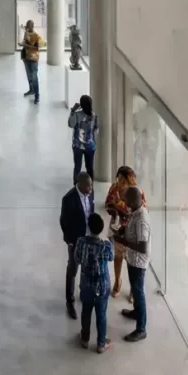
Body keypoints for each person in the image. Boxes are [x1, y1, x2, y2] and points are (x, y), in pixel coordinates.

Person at [104, 166, 147, 298]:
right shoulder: (114, 188)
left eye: (123, 180)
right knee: (117, 257)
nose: (120, 182)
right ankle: (117, 281)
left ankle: (133, 288)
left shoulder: (137, 192)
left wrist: (120, 204)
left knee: (131, 260)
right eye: (119, 179)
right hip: (117, 227)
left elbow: (140, 211)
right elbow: (107, 204)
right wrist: (113, 209)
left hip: (131, 230)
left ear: (130, 180)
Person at [75, 212, 115, 353]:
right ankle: (101, 343)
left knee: (86, 312)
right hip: (102, 286)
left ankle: (85, 339)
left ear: (88, 227)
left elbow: (78, 260)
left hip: (86, 285)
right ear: (102, 228)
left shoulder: (81, 242)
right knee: (101, 314)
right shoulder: (106, 246)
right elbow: (111, 258)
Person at [117, 185, 151, 341]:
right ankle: (136, 312)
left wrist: (124, 241)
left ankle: (141, 328)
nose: (125, 202)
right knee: (134, 288)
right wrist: (124, 230)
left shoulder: (142, 220)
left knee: (138, 291)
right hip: (132, 258)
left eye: (126, 200)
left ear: (133, 200)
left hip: (138, 261)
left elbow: (143, 247)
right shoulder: (135, 212)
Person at [59, 171, 94, 319]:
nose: (91, 189)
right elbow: (64, 221)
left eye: (91, 185)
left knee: (86, 267)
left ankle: (83, 292)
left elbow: (90, 213)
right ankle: (70, 300)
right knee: (73, 268)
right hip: (76, 240)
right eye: (88, 186)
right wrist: (70, 241)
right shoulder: (69, 198)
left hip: (88, 238)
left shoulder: (90, 194)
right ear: (79, 184)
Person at [68, 95, 98, 180]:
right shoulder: (94, 116)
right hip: (90, 146)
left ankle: (76, 187)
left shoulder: (77, 115)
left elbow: (70, 124)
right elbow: (96, 130)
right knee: (90, 168)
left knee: (77, 167)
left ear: (81, 104)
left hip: (78, 146)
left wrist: (73, 110)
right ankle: (90, 186)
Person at [21, 19, 42, 104]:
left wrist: (25, 45)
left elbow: (37, 48)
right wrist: (22, 43)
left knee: (34, 78)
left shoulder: (36, 36)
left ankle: (37, 96)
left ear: (32, 26)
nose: (27, 26)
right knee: (29, 76)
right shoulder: (26, 33)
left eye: (28, 25)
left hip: (33, 59)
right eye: (26, 25)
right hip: (26, 58)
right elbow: (25, 41)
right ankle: (31, 90)